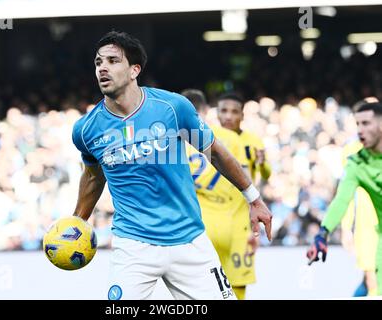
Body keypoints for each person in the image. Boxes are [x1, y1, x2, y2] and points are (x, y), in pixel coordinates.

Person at [71, 30, 272, 300]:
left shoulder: (173, 108)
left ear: (134, 70)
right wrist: (77, 222)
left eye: (112, 60)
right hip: (133, 245)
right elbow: (94, 176)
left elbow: (215, 153)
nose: (103, 68)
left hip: (189, 239)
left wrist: (253, 198)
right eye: (98, 62)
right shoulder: (86, 130)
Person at [181, 89, 256, 300]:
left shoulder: (172, 143)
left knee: (197, 293)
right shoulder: (229, 138)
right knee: (235, 290)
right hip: (233, 228)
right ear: (206, 110)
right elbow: (247, 180)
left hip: (196, 228)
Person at [306, 102, 382, 296]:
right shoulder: (356, 163)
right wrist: (323, 233)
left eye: (366, 123)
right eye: (358, 124)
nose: (360, 130)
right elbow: (341, 200)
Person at [215, 91, 272, 298]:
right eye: (224, 111)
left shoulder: (253, 141)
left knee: (238, 285)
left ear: (242, 116)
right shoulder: (209, 141)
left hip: (242, 225)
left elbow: (266, 174)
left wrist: (263, 163)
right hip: (213, 221)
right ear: (217, 113)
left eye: (234, 112)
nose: (228, 116)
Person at [340, 139, 378, 297]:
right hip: (367, 227)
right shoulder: (352, 150)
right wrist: (346, 226)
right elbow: (346, 192)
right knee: (372, 279)